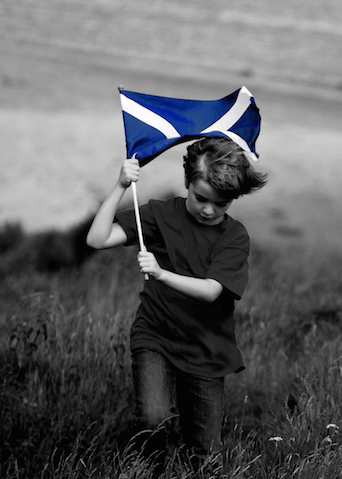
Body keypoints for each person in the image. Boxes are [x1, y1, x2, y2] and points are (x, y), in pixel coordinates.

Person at [86, 137, 267, 470]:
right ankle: (150, 471)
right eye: (201, 198)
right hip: (156, 336)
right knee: (153, 420)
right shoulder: (159, 215)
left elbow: (212, 290)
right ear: (187, 182)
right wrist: (121, 185)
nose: (210, 210)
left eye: (222, 204)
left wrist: (161, 273)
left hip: (206, 350)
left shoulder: (235, 236)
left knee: (206, 455)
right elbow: (97, 239)